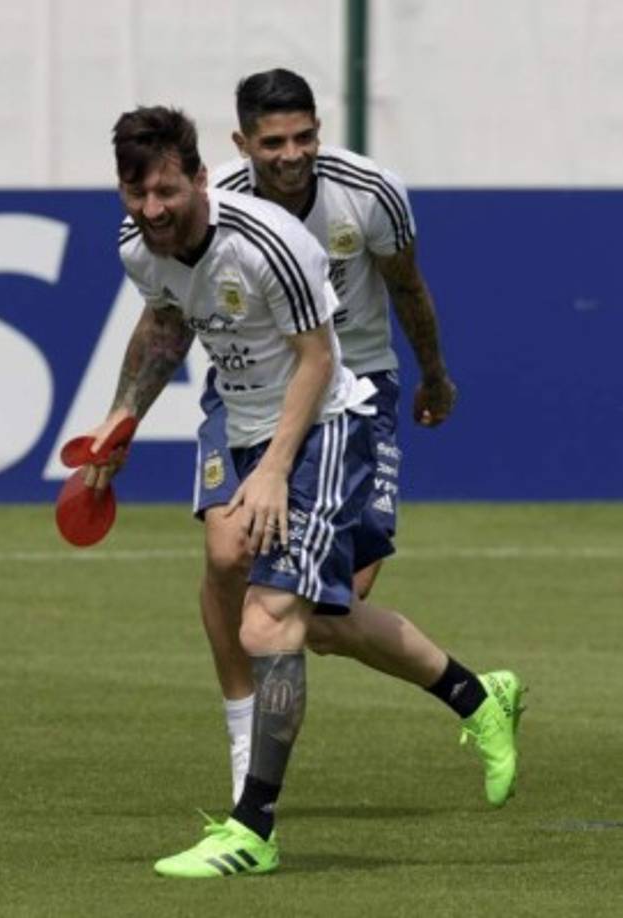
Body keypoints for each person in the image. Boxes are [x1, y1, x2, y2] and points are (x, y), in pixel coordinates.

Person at [87, 104, 523, 878]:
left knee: (275, 614)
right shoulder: (138, 246)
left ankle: (252, 827)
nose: (152, 209)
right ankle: (471, 694)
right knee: (255, 581)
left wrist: (275, 470)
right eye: (135, 193)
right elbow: (164, 326)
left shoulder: (268, 243)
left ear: (197, 177)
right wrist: (119, 420)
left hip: (320, 424)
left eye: (165, 190)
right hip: (238, 416)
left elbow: (318, 363)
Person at [194, 68, 523, 807]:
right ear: (242, 142)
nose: (291, 154)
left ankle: (476, 696)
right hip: (252, 393)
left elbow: (406, 286)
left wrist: (434, 376)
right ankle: (250, 762)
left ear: (319, 128)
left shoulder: (367, 191)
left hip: (356, 389)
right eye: (272, 141)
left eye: (304, 136)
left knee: (327, 614)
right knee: (238, 567)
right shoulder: (218, 202)